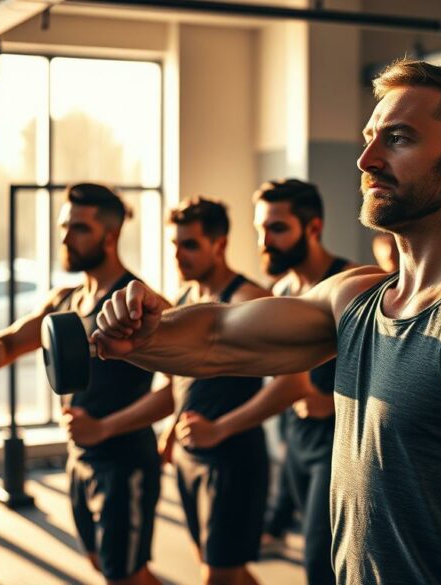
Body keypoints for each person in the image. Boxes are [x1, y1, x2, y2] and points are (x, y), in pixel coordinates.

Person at [94, 59, 441, 585]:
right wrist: (141, 334)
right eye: (370, 138)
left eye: (398, 138)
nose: (366, 161)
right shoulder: (356, 297)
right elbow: (218, 338)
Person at [0, 183, 170, 585]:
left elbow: (178, 389)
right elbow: (10, 344)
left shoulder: (137, 305)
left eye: (79, 228)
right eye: (64, 226)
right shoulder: (64, 300)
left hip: (124, 461)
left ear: (110, 236)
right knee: (103, 564)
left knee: (126, 576)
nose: (65, 237)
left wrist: (104, 428)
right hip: (80, 457)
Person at [168, 179, 354, 585]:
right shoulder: (282, 290)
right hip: (296, 441)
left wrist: (337, 399)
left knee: (321, 567)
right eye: (260, 229)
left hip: (340, 445)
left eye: (277, 228)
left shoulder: (351, 284)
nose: (264, 242)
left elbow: (383, 372)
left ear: (314, 228)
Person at [159, 196, 272, 585]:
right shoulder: (184, 298)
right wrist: (170, 429)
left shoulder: (248, 300)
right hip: (190, 456)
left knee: (218, 576)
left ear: (219, 244)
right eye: (174, 244)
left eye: (189, 245)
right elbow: (180, 380)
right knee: (223, 569)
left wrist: (220, 429)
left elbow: (294, 383)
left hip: (232, 460)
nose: (178, 255)